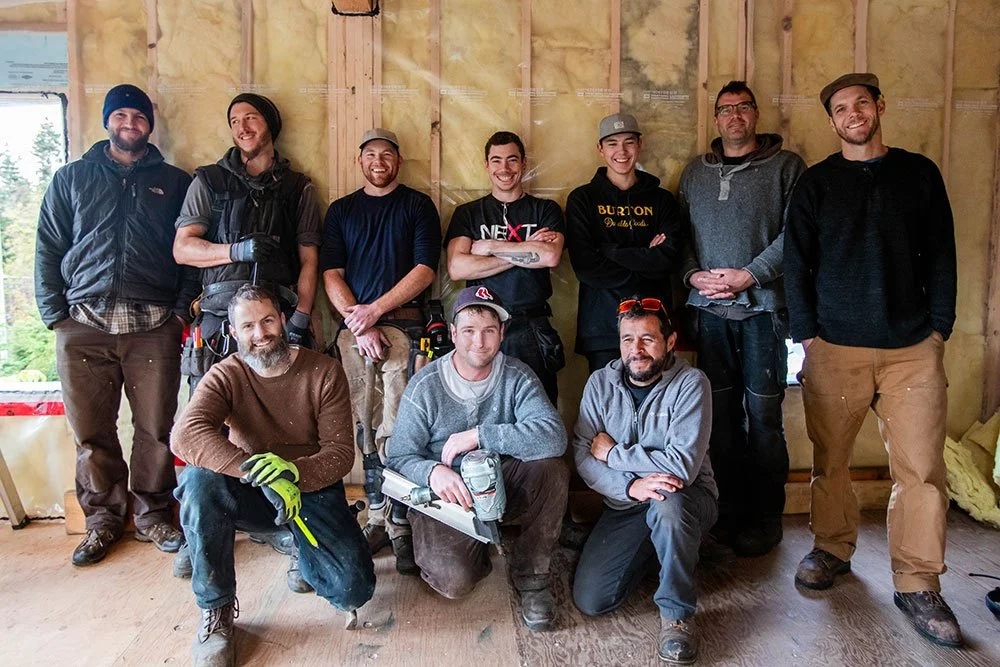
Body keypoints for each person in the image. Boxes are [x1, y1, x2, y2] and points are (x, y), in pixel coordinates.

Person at [784, 72, 962, 647]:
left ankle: (918, 582)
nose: (853, 114)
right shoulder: (815, 184)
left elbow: (942, 252)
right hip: (835, 347)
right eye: (841, 108)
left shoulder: (918, 174)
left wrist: (939, 329)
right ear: (832, 121)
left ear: (880, 106)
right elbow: (796, 263)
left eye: (861, 103)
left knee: (921, 470)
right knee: (830, 460)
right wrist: (807, 337)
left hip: (913, 349)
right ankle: (832, 549)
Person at [171, 284, 375, 667]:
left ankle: (298, 542)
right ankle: (215, 610)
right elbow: (185, 435)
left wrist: (293, 472)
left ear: (282, 320)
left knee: (352, 590)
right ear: (234, 332)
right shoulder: (225, 374)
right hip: (254, 489)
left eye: (267, 321)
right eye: (248, 326)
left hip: (310, 489)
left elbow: (340, 454)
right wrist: (261, 474)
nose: (260, 334)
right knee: (199, 479)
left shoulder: (324, 371)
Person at [35, 83, 194, 566]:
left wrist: (180, 311)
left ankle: (153, 516)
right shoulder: (72, 178)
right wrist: (55, 314)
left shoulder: (174, 182)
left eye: (139, 117)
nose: (130, 124)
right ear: (108, 121)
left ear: (150, 124)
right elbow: (48, 247)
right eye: (121, 115)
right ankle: (103, 520)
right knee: (91, 432)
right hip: (82, 323)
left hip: (153, 324)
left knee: (156, 428)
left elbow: (190, 250)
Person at [172, 92, 322, 570]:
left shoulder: (298, 187)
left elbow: (309, 259)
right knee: (205, 424)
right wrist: (234, 252)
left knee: (285, 425)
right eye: (234, 119)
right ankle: (199, 532)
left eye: (251, 117)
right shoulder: (208, 181)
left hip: (277, 322)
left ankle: (284, 526)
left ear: (270, 125)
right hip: (220, 323)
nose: (241, 127)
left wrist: (300, 317)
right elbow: (183, 248)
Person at [385, 286, 568, 631]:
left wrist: (480, 435)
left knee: (551, 470)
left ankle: (532, 575)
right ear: (453, 334)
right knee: (454, 582)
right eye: (469, 331)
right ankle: (459, 542)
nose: (479, 342)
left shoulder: (517, 376)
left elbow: (554, 437)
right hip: (448, 495)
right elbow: (398, 456)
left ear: (502, 333)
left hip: (501, 479)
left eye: (488, 331)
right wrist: (432, 471)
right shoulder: (426, 385)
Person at [678, 80, 806, 556]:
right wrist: (693, 276)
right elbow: (680, 235)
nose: (735, 116)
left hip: (763, 314)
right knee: (720, 419)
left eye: (743, 107)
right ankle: (727, 511)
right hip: (710, 314)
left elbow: (797, 234)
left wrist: (750, 275)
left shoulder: (787, 167)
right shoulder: (696, 172)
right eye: (726, 109)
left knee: (765, 417)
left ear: (755, 114)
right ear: (716, 119)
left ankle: (766, 517)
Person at [321, 128, 442, 573]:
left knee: (399, 428)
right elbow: (331, 274)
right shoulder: (341, 211)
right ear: (360, 161)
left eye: (387, 154)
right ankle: (376, 518)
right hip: (354, 334)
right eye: (370, 154)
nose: (379, 161)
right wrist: (361, 322)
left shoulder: (417, 205)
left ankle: (401, 523)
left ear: (398, 161)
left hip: (404, 329)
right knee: (365, 428)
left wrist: (375, 312)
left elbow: (425, 270)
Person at [572, 297, 717, 665]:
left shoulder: (691, 383)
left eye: (648, 339)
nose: (636, 349)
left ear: (670, 342)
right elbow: (583, 455)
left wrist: (614, 455)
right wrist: (628, 487)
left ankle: (676, 615)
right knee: (592, 600)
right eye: (627, 339)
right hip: (626, 503)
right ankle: (666, 552)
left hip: (685, 498)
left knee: (668, 504)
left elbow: (681, 467)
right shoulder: (600, 383)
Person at [445, 130, 565, 404]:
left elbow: (549, 257)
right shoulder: (468, 213)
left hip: (532, 327)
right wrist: (526, 248)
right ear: (486, 165)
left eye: (512, 160)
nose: (505, 168)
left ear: (523, 163)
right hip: (482, 328)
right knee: (483, 407)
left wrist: (490, 246)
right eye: (496, 160)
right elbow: (458, 268)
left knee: (537, 407)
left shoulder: (546, 210)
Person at [566, 113, 684, 373]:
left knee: (655, 397)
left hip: (653, 329)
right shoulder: (582, 200)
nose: (621, 151)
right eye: (612, 143)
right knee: (607, 397)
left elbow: (669, 260)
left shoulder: (663, 201)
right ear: (600, 149)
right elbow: (586, 267)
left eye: (629, 142)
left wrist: (609, 251)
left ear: (639, 144)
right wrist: (645, 257)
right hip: (602, 328)